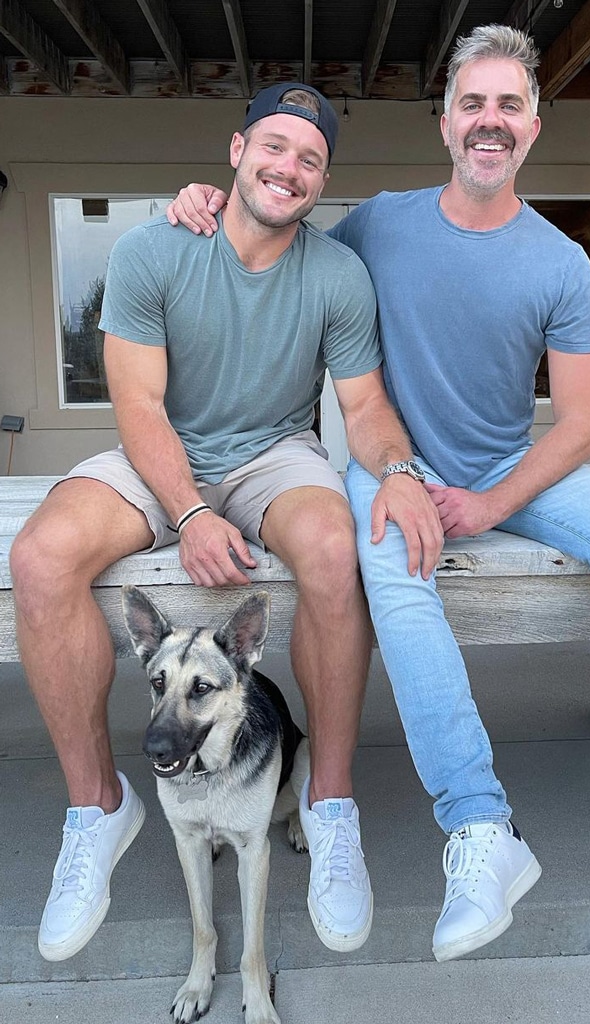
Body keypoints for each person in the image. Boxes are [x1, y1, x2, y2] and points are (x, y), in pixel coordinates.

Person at [168, 25, 590, 963]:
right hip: (391, 466)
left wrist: (485, 505)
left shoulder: (559, 262)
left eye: (508, 105)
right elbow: (274, 238)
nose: (490, 120)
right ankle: (479, 830)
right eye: (472, 103)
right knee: (393, 571)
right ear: (446, 123)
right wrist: (202, 197)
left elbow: (582, 424)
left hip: (502, 475)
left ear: (532, 127)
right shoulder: (380, 224)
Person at [10, 83, 442, 963]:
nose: (289, 167)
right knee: (42, 554)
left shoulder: (336, 275)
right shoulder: (154, 248)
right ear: (237, 150)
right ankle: (97, 811)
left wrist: (397, 469)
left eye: (310, 158)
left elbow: (361, 405)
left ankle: (329, 804)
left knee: (333, 549)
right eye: (274, 146)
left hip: (273, 453)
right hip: (158, 450)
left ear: (322, 179)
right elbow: (136, 402)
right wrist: (191, 511)